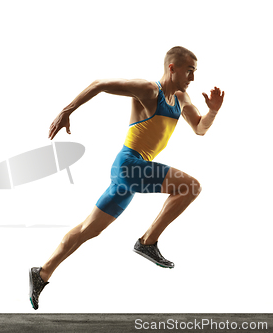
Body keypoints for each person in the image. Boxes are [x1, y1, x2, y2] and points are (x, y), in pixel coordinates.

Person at [29, 46, 225, 310]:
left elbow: (200, 129)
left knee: (89, 229)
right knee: (191, 187)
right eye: (189, 71)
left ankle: (42, 273)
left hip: (130, 172)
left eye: (195, 72)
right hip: (130, 165)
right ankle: (147, 242)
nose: (192, 77)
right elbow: (99, 84)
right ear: (172, 67)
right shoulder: (149, 90)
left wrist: (212, 112)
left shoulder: (181, 97)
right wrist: (67, 111)